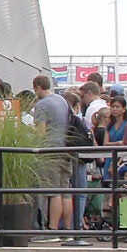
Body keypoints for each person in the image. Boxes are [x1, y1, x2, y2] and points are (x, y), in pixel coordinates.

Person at [31, 82, 76, 232]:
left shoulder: (42, 105)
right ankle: (68, 229)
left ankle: (53, 229)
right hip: (66, 149)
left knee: (53, 191)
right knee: (66, 191)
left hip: (50, 151)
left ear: (37, 87)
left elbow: (41, 132)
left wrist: (32, 129)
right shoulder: (62, 100)